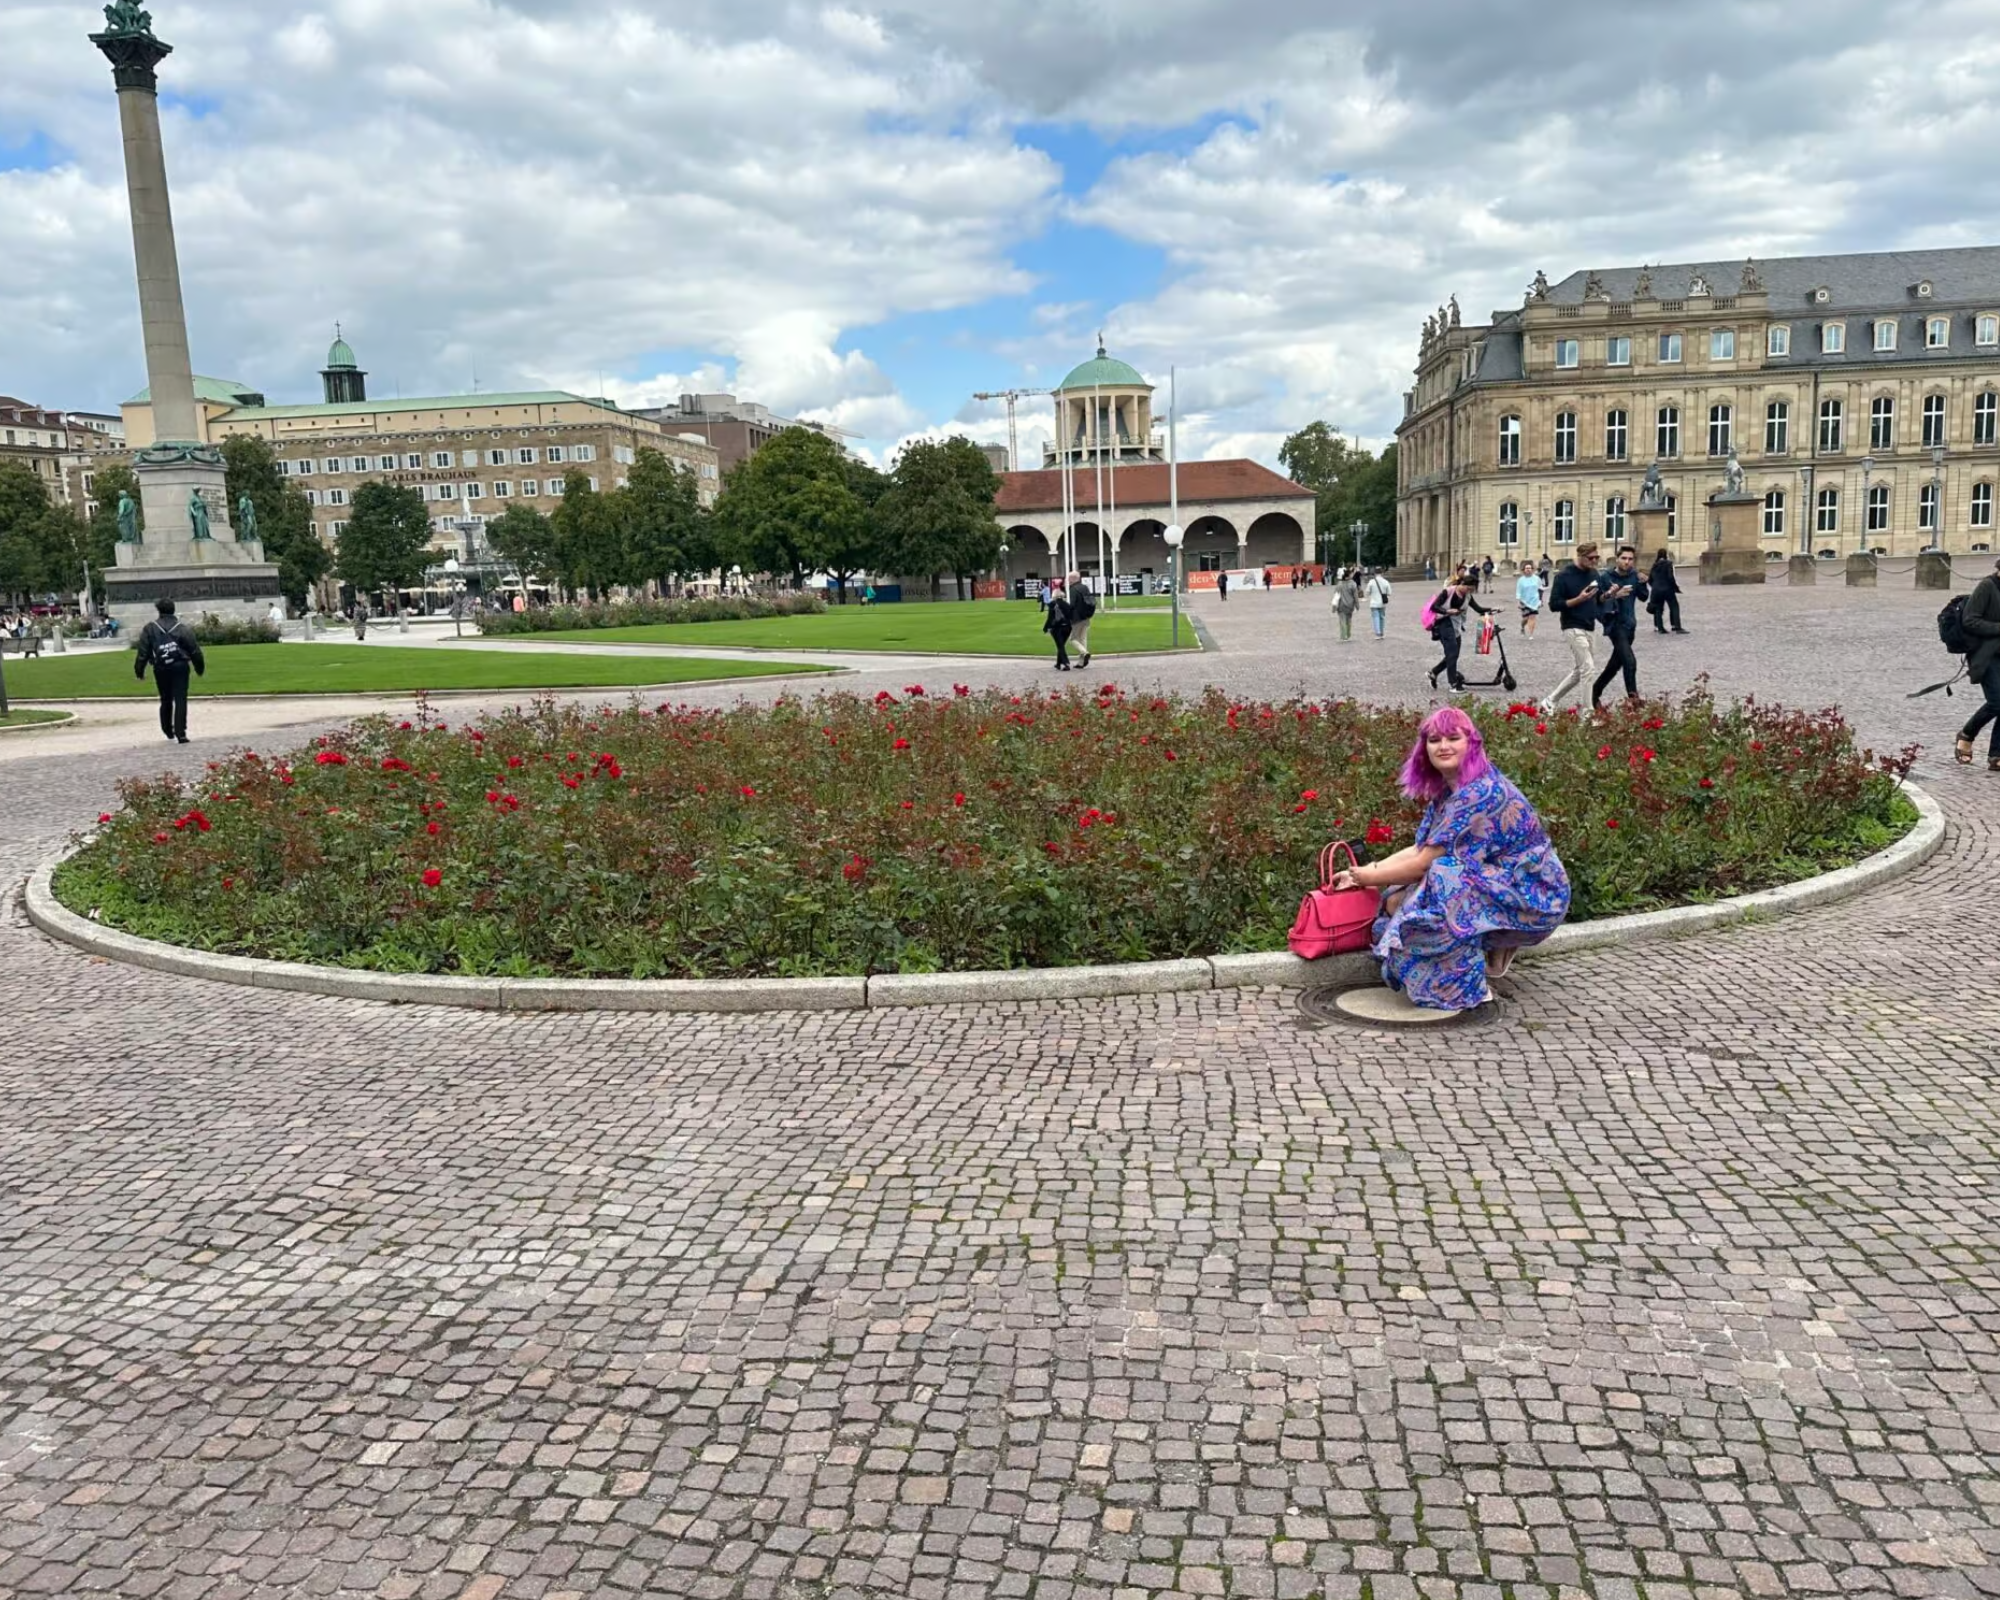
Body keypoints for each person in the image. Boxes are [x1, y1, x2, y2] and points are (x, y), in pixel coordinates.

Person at [1330, 706, 1570, 1012]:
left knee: (1441, 879)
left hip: (1538, 896)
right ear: (1424, 748)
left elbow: (1423, 863)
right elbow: (1422, 848)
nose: (1442, 746)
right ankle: (1492, 945)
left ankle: (1468, 985)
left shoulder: (1478, 794)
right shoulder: (1452, 789)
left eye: (1453, 738)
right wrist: (1366, 871)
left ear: (1471, 743)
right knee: (1398, 898)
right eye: (1434, 740)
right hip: (1508, 883)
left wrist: (1367, 879)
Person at [1539, 543, 1605, 714]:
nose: (1594, 561)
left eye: (1596, 557)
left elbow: (1597, 600)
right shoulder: (1564, 576)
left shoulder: (1594, 573)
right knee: (1588, 668)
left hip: (1590, 626)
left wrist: (1609, 595)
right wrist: (1578, 599)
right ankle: (1587, 712)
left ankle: (1550, 701)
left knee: (1581, 670)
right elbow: (1554, 605)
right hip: (1572, 626)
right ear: (1580, 556)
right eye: (1591, 558)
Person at [133, 598, 205, 744]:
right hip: (180, 666)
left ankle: (167, 729)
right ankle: (181, 732)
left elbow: (143, 652)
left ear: (159, 610)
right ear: (173, 609)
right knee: (180, 699)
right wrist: (199, 668)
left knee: (165, 699)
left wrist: (139, 671)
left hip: (161, 667)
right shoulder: (182, 628)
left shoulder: (150, 628)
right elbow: (194, 650)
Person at [1954, 554, 2000, 771]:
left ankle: (1996, 754)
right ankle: (1967, 734)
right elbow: (1970, 620)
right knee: (1997, 702)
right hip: (1987, 655)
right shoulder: (1987, 587)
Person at [1590, 545, 1649, 706]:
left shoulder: (1634, 576)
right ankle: (1634, 700)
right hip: (1614, 625)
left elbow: (1644, 597)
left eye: (1630, 559)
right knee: (1630, 662)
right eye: (1624, 558)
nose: (1627, 562)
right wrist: (1613, 595)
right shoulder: (1606, 577)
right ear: (1617, 559)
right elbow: (1598, 602)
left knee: (1615, 665)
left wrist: (1644, 582)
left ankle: (1594, 692)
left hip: (1630, 625)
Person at [1427, 574, 1491, 691]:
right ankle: (1454, 684)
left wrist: (1492, 609)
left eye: (1471, 590)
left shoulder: (1468, 596)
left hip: (1456, 625)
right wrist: (1447, 611)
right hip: (1443, 623)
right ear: (1462, 584)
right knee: (1452, 653)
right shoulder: (1448, 592)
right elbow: (1434, 607)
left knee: (1453, 655)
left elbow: (1478, 609)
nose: (1468, 592)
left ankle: (1434, 672)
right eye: (1468, 588)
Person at [1647, 548, 1685, 634]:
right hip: (1667, 589)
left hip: (1656, 590)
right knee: (1674, 606)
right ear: (1666, 555)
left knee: (1658, 608)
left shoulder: (1654, 565)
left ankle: (1659, 627)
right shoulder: (1668, 564)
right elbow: (1671, 577)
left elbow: (1650, 579)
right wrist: (1675, 587)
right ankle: (1676, 626)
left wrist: (1655, 586)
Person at [1065, 570, 1096, 667]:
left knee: (1073, 639)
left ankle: (1085, 653)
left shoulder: (1073, 589)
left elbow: (1072, 605)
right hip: (1086, 617)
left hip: (1076, 618)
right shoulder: (1085, 587)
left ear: (1072, 579)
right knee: (1082, 639)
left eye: (1068, 578)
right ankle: (1081, 663)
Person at [1042, 585, 1073, 670]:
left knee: (1060, 646)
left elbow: (1050, 618)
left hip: (1057, 628)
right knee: (1061, 645)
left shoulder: (1052, 604)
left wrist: (1045, 628)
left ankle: (1066, 663)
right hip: (1067, 628)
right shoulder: (1067, 604)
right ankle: (1058, 663)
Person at [1515, 560, 1543, 636]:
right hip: (1524, 601)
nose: (1528, 569)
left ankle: (1531, 634)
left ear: (1532, 569)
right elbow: (1518, 591)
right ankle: (1522, 627)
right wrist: (1518, 602)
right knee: (1526, 618)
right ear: (1524, 570)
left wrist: (1540, 601)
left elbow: (1540, 590)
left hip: (1534, 600)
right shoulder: (1521, 580)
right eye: (1526, 568)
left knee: (1532, 617)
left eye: (1530, 568)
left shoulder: (1537, 579)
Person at [1332, 567, 1359, 641]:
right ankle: (1348, 634)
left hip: (1341, 606)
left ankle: (1343, 636)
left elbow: (1336, 597)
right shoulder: (1353, 584)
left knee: (1342, 621)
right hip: (1350, 606)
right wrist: (1357, 606)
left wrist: (1334, 607)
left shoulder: (1339, 584)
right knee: (1349, 620)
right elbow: (1356, 596)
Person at [1364, 569, 1392, 640]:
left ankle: (1378, 633)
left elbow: (1367, 592)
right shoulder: (1385, 582)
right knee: (1382, 617)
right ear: (1382, 573)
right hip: (1382, 603)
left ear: (1375, 574)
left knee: (1375, 617)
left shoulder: (1371, 582)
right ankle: (1382, 633)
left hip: (1374, 602)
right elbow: (1389, 593)